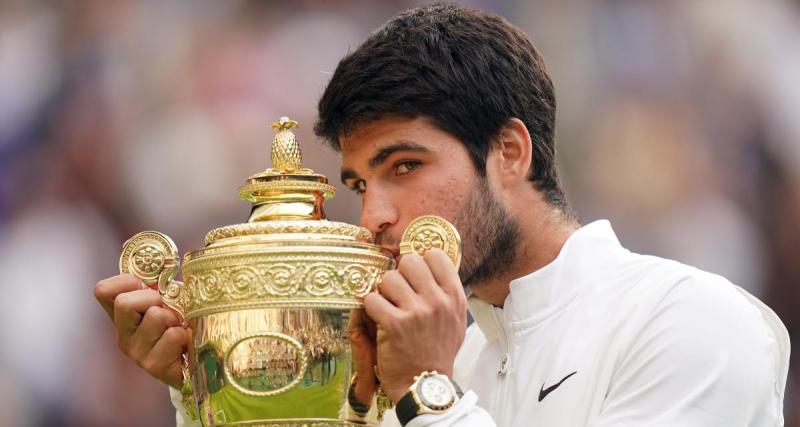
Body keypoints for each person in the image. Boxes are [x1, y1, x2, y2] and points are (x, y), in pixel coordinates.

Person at [94, 4, 789, 426]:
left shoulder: (693, 318)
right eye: (359, 182)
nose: (374, 216)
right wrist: (210, 387)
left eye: (405, 166)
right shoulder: (424, 352)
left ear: (509, 152)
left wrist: (429, 392)